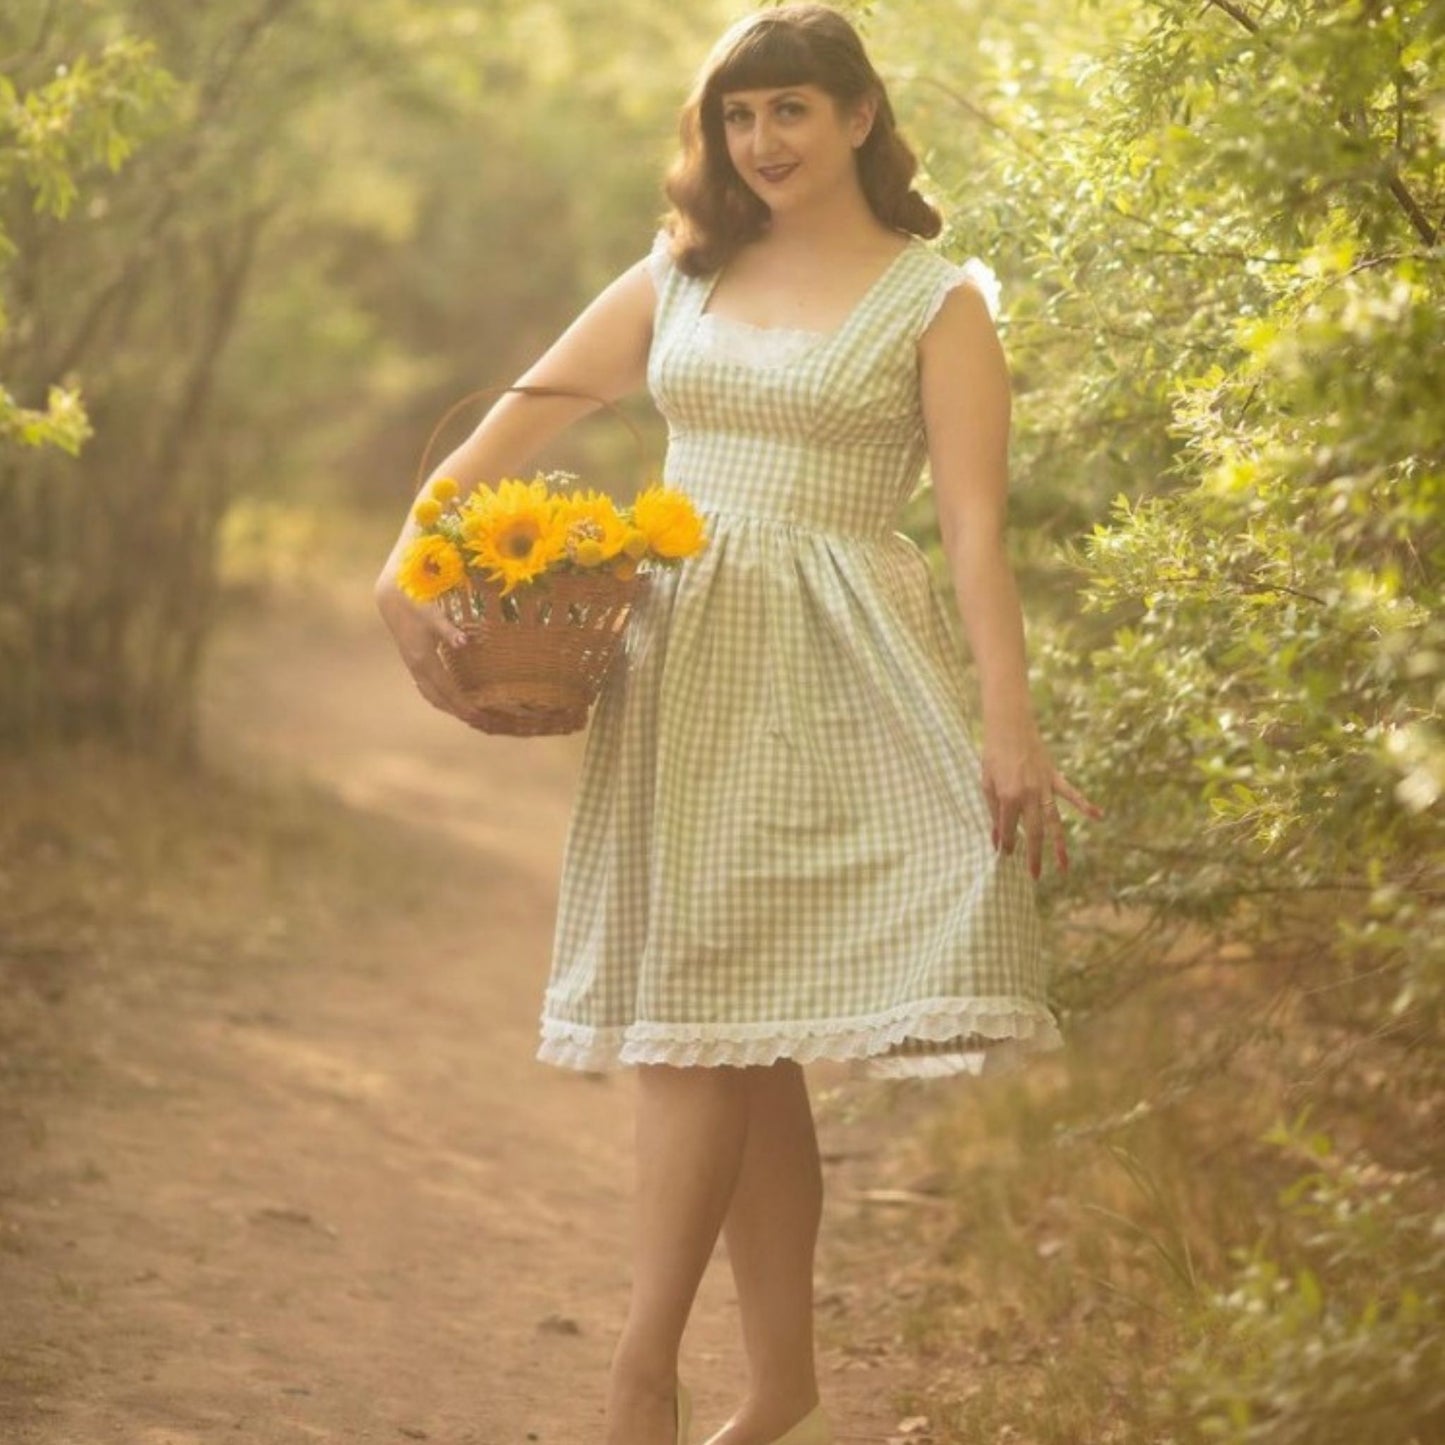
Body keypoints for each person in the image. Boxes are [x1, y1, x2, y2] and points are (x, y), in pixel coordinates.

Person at [375, 5, 1104, 1443]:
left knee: (699, 1027)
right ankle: (779, 1384)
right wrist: (409, 553)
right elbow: (519, 416)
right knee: (722, 1023)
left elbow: (971, 533)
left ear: (856, 119)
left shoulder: (937, 298)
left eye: (787, 110)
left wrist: (1009, 730)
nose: (760, 141)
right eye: (736, 116)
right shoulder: (679, 273)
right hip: (679, 664)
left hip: (837, 667)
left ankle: (640, 1373)